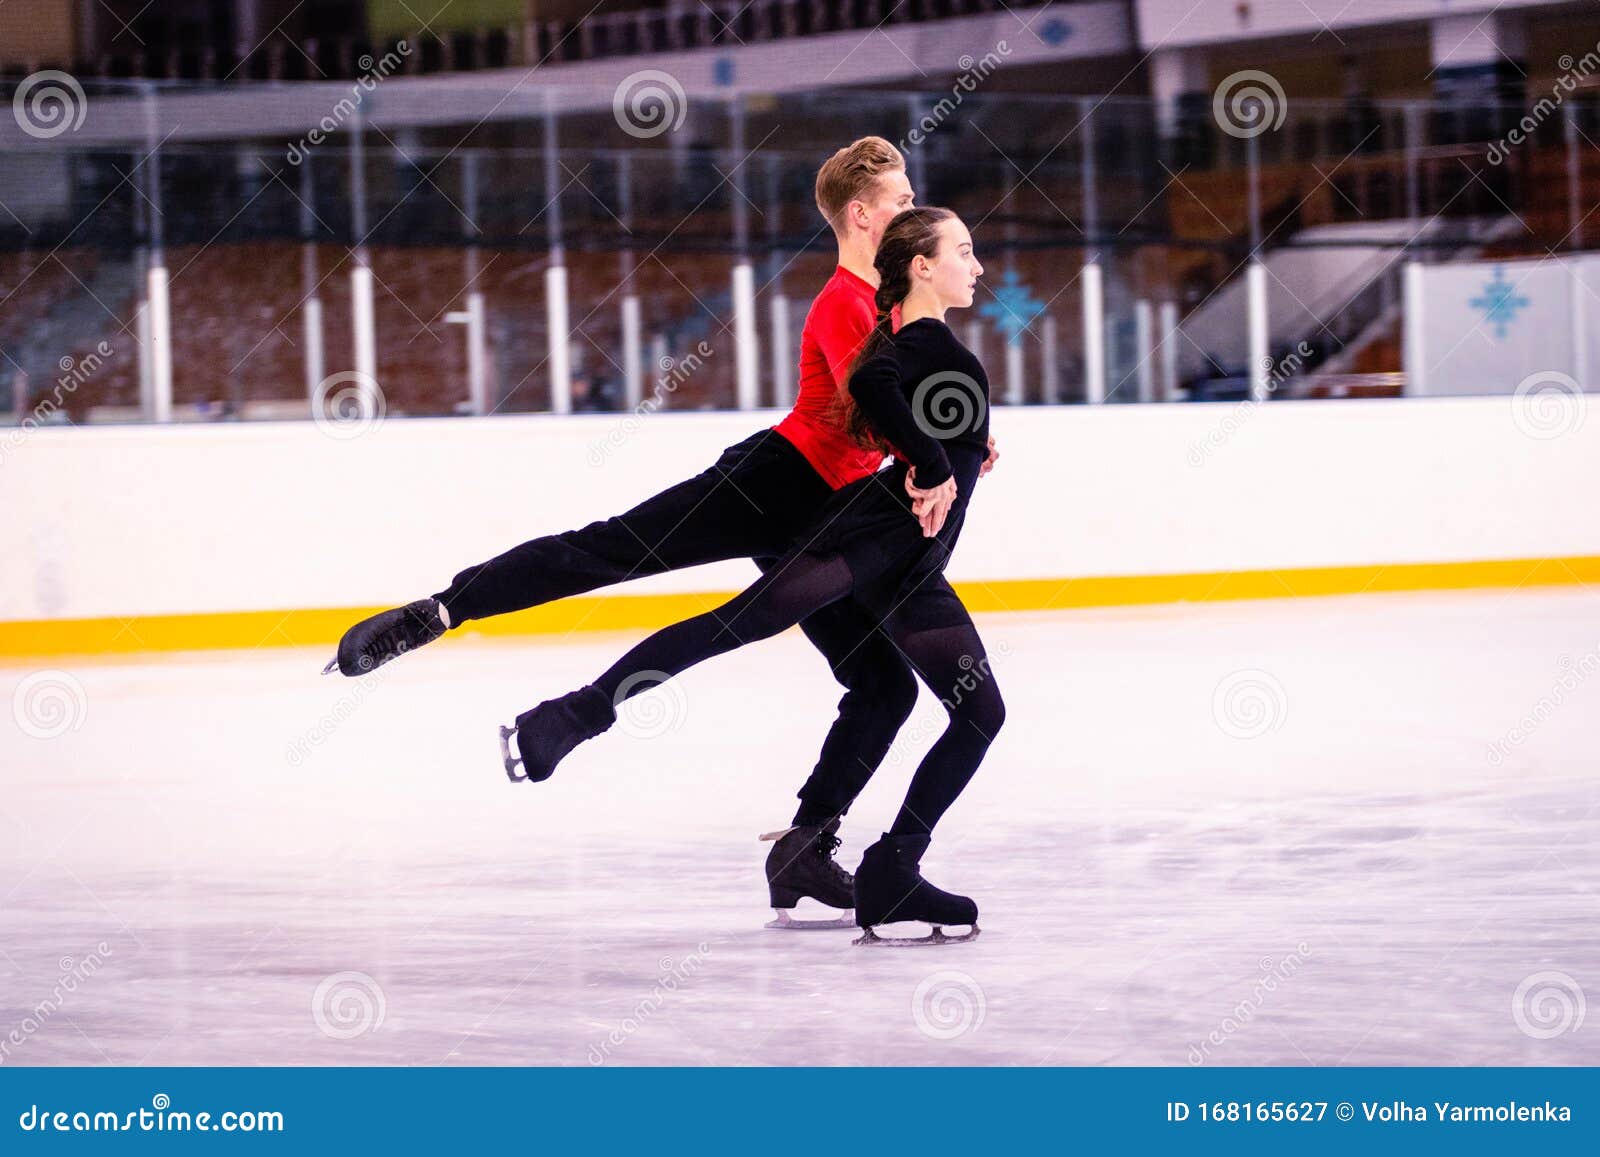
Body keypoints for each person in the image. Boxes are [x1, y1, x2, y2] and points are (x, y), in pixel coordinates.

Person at [324, 138, 996, 927]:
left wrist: (962, 434)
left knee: (881, 687)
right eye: (899, 198)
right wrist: (938, 451)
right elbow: (879, 402)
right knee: (611, 548)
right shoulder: (845, 303)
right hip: (775, 485)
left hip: (837, 521)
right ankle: (443, 610)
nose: (911, 208)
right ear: (862, 215)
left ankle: (806, 845)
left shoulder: (893, 307)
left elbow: (915, 400)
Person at [500, 208, 1004, 946]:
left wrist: (955, 446)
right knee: (742, 623)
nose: (978, 265)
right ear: (923, 266)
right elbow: (872, 380)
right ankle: (572, 715)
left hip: (911, 564)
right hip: (870, 539)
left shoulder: (923, 341)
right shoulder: (913, 340)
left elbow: (900, 394)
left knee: (967, 708)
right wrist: (931, 461)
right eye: (964, 251)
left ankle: (889, 867)